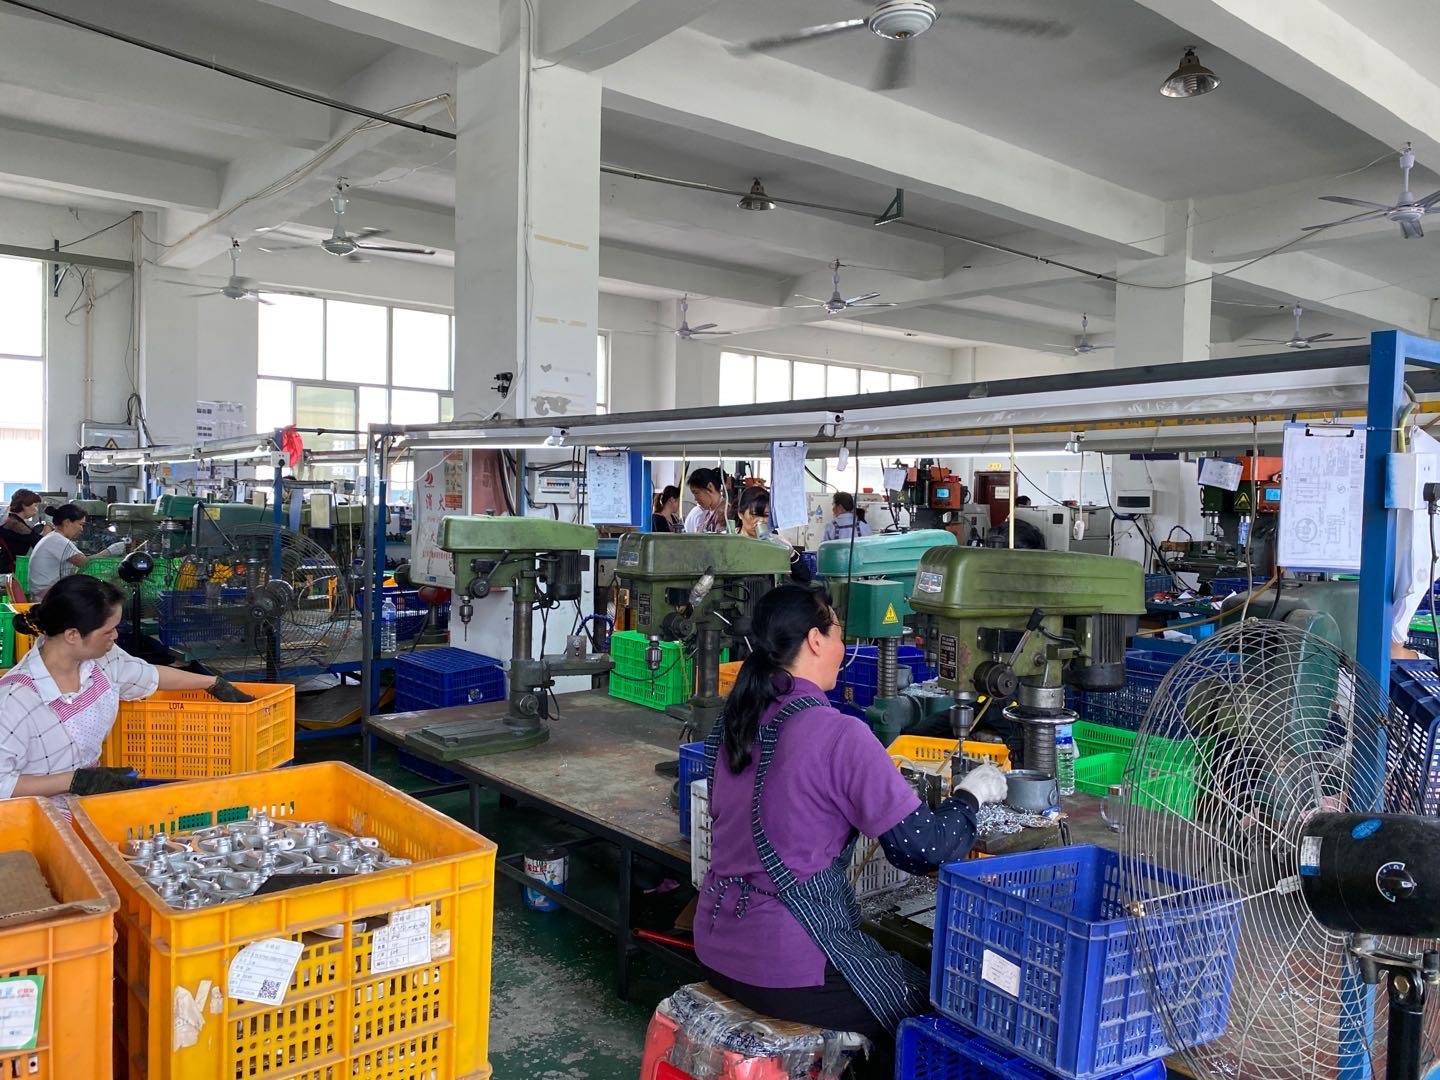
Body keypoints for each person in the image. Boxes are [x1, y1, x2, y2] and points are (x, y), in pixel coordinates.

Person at [693, 585, 1008, 1078]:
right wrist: (971, 795)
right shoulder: (839, 734)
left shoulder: (733, 720)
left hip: (716, 944)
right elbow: (924, 848)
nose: (844, 645)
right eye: (839, 631)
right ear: (815, 640)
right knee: (930, 1012)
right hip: (784, 965)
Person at [0, 575, 254, 799]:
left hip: (83, 804)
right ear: (72, 635)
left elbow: (148, 676)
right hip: (33, 820)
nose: (115, 636)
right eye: (108, 631)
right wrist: (75, 781)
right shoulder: (14, 700)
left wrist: (211, 683)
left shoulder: (101, 660)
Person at [27, 504, 127, 600]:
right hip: (48, 597)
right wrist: (111, 551)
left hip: (44, 594)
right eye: (80, 524)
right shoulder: (59, 541)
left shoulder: (53, 537)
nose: (82, 529)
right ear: (67, 522)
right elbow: (87, 563)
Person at [735, 485, 812, 584]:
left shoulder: (775, 542)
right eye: (754, 514)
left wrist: (791, 553)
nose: (761, 520)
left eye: (766, 515)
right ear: (740, 514)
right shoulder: (729, 541)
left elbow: (805, 579)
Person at [0, 490, 45, 573]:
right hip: (6, 571)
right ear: (24, 505)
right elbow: (39, 543)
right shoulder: (15, 524)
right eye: (35, 505)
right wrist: (48, 527)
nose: (36, 509)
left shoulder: (12, 520)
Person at [684, 468, 729, 534]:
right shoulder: (709, 512)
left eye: (696, 493)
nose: (695, 499)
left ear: (710, 487)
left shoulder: (725, 513)